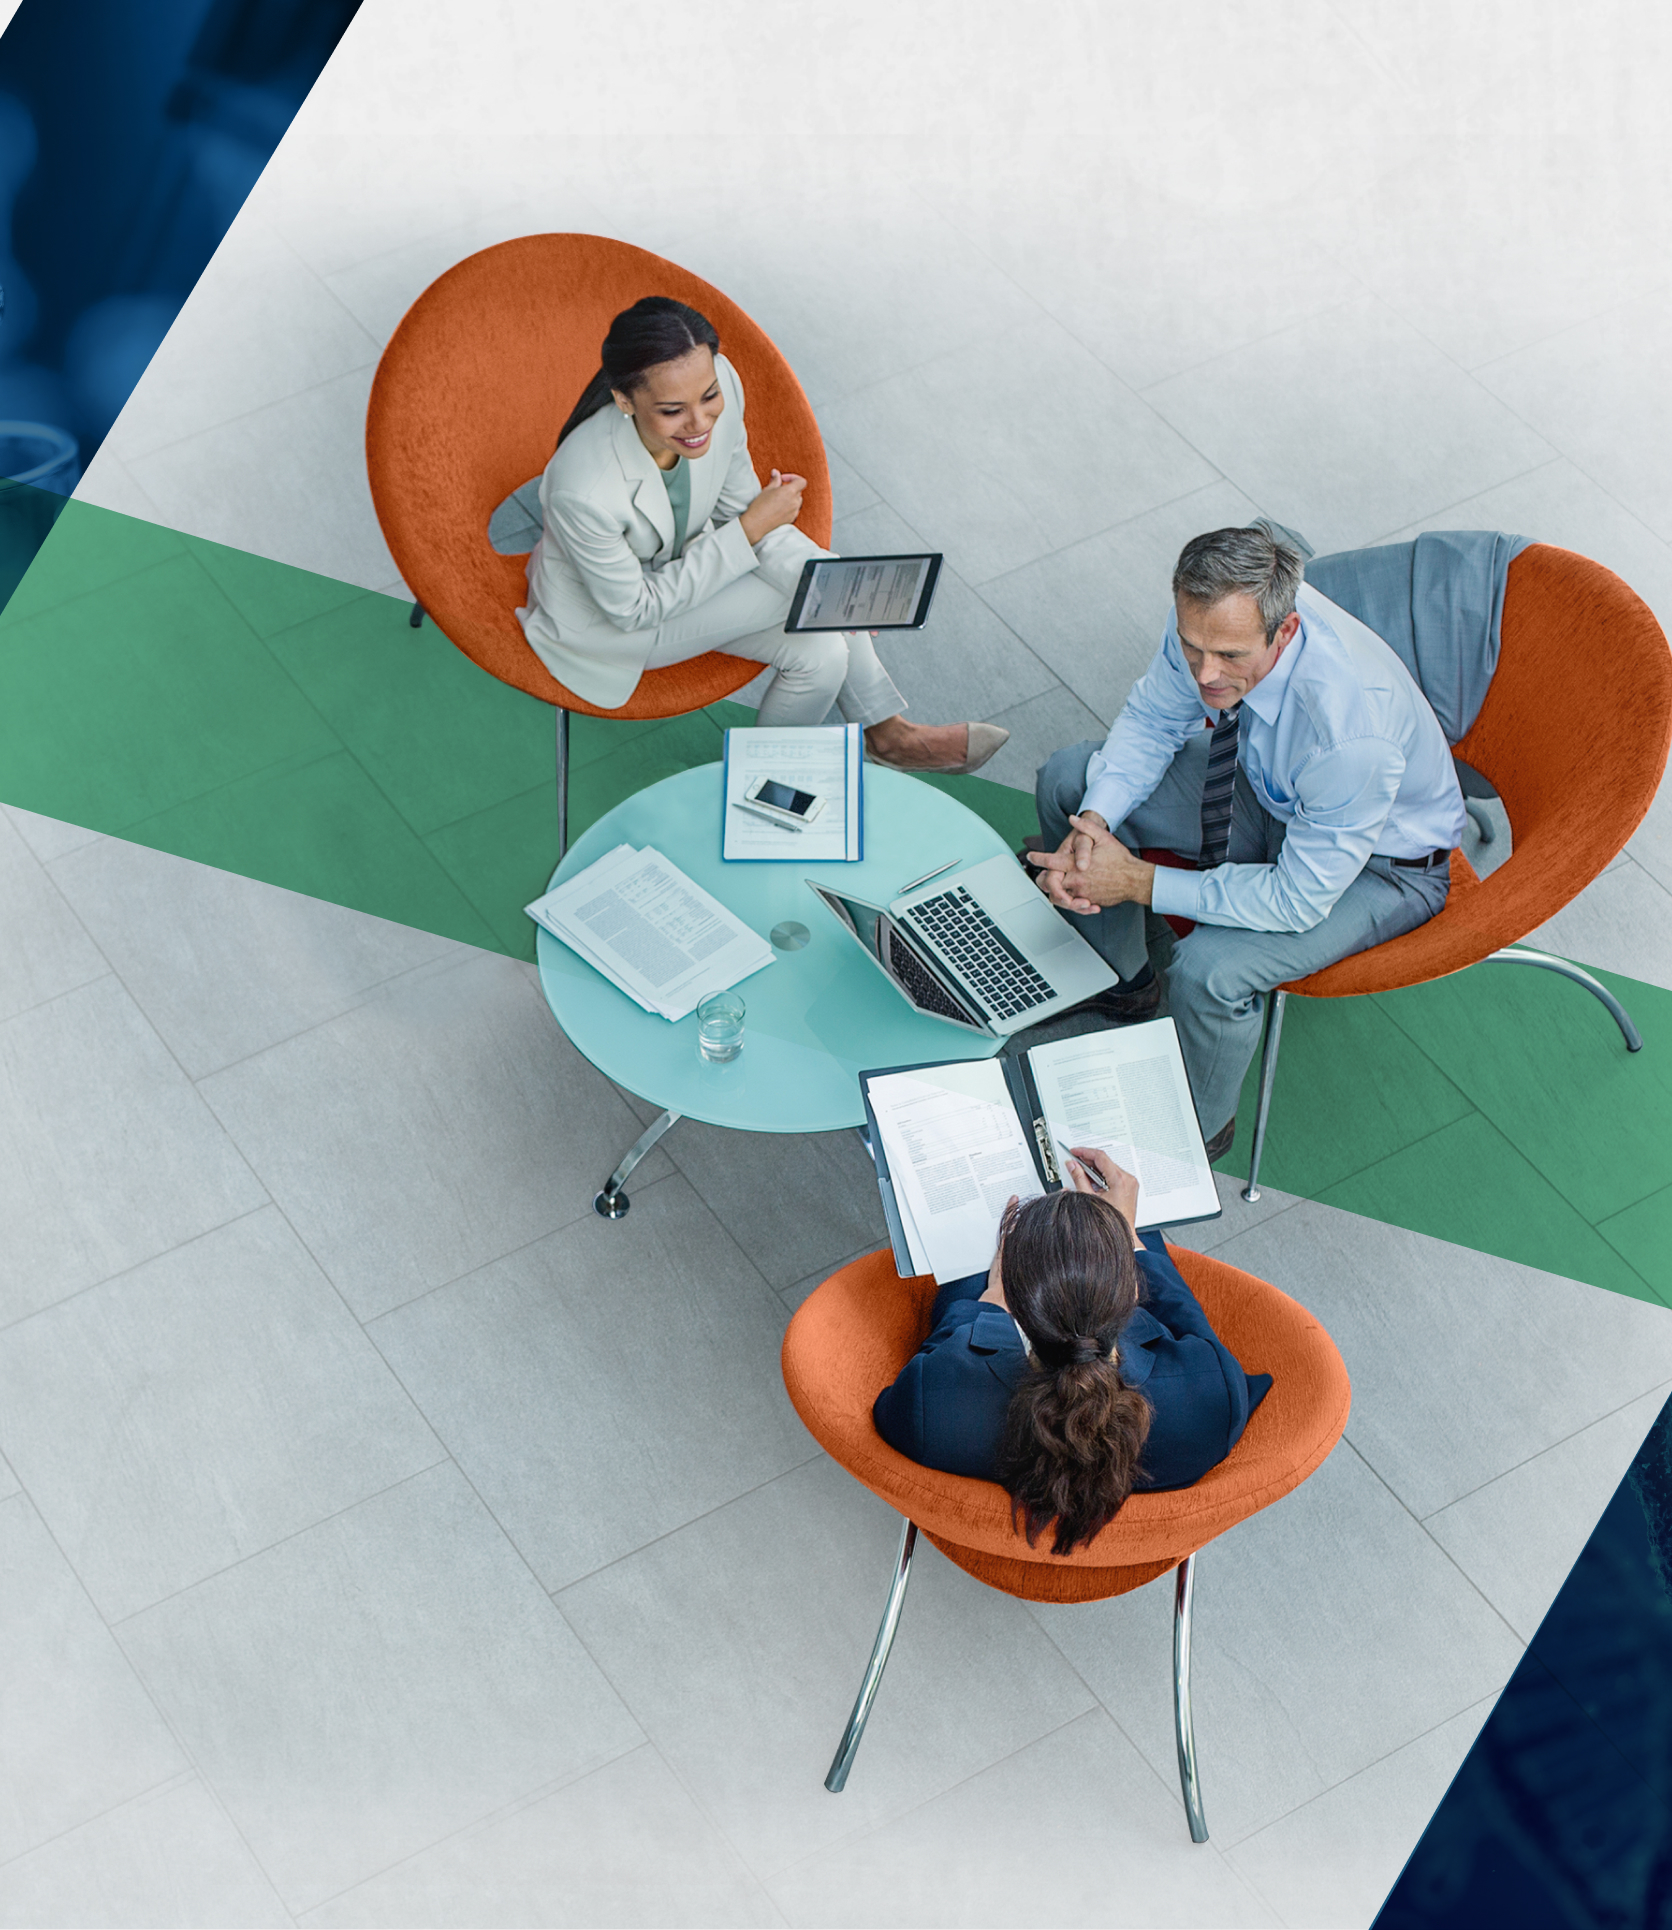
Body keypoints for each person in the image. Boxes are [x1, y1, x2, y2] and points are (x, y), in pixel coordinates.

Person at [1028, 521, 1467, 1158]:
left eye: (1231, 657)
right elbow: (1154, 718)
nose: (1206, 675)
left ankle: (1196, 1129)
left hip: (1384, 866)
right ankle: (1122, 981)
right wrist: (1095, 823)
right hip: (1272, 789)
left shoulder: (1351, 735)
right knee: (1070, 782)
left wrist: (1138, 881)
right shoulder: (1215, 620)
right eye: (1192, 647)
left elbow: (1296, 900)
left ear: (1284, 631)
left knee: (1210, 972)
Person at [518, 297, 1008, 772]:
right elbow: (635, 608)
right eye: (673, 410)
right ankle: (890, 736)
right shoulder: (582, 488)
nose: (700, 422)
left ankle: (758, 788)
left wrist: (831, 578)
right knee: (817, 608)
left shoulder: (721, 387)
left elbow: (739, 511)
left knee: (823, 652)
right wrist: (812, 575)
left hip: (683, 571)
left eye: (709, 396)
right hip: (606, 624)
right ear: (624, 399)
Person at [873, 1152, 1270, 1554]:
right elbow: (1186, 1320)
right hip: (1138, 1552)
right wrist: (1129, 1240)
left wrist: (989, 1304)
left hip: (979, 1544)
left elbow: (908, 1393)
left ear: (1018, 1304)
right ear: (1134, 1295)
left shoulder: (931, 1405)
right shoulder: (1212, 1395)